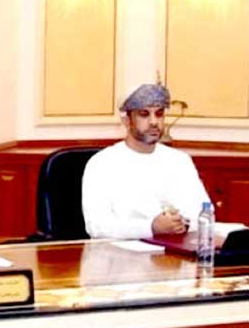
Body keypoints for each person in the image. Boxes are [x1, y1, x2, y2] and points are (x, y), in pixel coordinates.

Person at [82, 83, 210, 239]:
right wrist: (151, 227)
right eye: (144, 114)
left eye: (159, 114)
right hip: (121, 252)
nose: (154, 122)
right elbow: (97, 226)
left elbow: (204, 212)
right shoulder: (102, 164)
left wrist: (182, 223)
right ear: (127, 120)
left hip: (175, 250)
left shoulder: (180, 161)